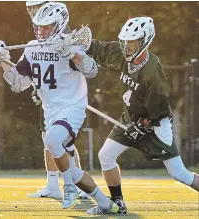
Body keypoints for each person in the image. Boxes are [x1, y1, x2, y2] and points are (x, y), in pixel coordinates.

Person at [0, 2, 122, 213]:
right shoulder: (33, 48)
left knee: (51, 140)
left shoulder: (70, 45)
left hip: (72, 107)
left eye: (46, 27)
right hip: (51, 112)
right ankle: (106, 203)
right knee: (72, 169)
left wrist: (72, 53)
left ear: (59, 25)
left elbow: (92, 71)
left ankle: (68, 186)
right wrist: (3, 59)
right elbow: (17, 84)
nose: (41, 31)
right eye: (38, 27)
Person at [85, 16, 199, 215]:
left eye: (133, 42)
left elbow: (160, 109)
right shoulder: (122, 54)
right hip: (130, 119)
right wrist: (79, 42)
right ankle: (118, 204)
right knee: (106, 156)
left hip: (154, 126)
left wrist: (143, 125)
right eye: (126, 41)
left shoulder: (152, 70)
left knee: (180, 174)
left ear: (145, 41)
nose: (127, 46)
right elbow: (99, 49)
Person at [25, 0, 90, 200]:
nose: (32, 12)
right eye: (29, 8)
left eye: (35, 7)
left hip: (65, 99)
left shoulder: (60, 30)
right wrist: (37, 85)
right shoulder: (39, 31)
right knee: (49, 140)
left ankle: (76, 185)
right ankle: (53, 184)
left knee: (63, 143)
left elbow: (75, 66)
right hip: (49, 99)